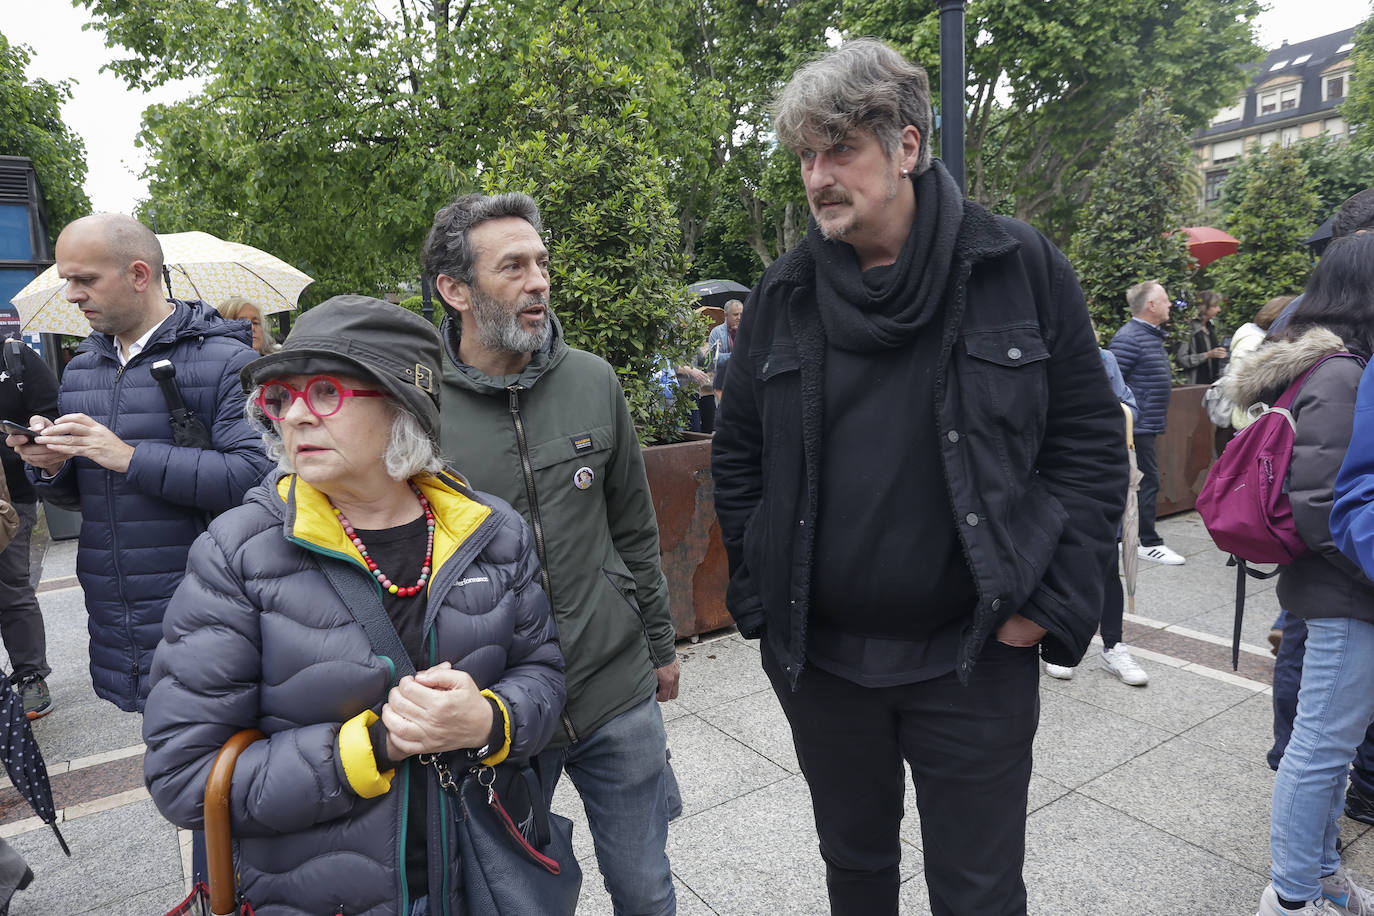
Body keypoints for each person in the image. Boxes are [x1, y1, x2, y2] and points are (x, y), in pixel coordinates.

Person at [711, 40, 1126, 915]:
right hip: (823, 667)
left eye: (840, 150)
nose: (818, 176)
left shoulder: (1019, 265)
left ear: (906, 146)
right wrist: (759, 597)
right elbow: (739, 456)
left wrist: (1044, 605)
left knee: (977, 892)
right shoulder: (783, 294)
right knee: (855, 876)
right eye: (805, 156)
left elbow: (1088, 441)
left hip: (974, 657)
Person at [143, 296, 565, 915]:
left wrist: (490, 720)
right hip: (322, 899)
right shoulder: (236, 555)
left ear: (403, 405)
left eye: (324, 392)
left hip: (484, 879)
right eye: (282, 399)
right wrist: (371, 747)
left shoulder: (493, 531)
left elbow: (546, 676)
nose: (297, 418)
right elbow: (186, 776)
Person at [423, 192, 681, 915]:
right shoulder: (419, 408)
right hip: (499, 712)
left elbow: (633, 526)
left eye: (541, 262)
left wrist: (658, 645)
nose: (539, 280)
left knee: (646, 888)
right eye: (513, 267)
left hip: (615, 691)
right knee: (521, 902)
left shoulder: (593, 380)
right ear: (455, 289)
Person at [7, 213, 272, 713]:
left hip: (209, 604)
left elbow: (256, 478)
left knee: (223, 770)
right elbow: (82, 496)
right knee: (168, 762)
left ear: (138, 275)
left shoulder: (226, 360)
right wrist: (50, 464)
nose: (71, 295)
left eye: (85, 279)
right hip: (118, 615)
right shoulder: (83, 367)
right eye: (66, 280)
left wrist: (128, 457)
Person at [1220, 234, 1374, 916]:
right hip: (1345, 586)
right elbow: (1324, 505)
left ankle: (1322, 880)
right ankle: (1290, 898)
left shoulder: (1323, 367)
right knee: (1320, 749)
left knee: (1323, 745)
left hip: (1329, 583)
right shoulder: (1343, 374)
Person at [1044, 347, 1148, 686]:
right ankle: (1056, 642)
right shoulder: (1036, 355)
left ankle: (1113, 645)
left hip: (1099, 473)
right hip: (1047, 473)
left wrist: (1101, 411)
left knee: (1104, 563)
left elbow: (1131, 408)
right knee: (1050, 560)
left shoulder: (1104, 359)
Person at [0, 340, 58, 717]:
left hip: (10, 498)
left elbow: (50, 411)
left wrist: (37, 427)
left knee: (10, 589)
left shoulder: (15, 358)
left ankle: (31, 675)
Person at [1110, 280, 1186, 565]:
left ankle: (1125, 536)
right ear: (1151, 305)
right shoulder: (1129, 337)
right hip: (1135, 427)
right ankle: (1146, 541)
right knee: (1145, 481)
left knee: (1139, 481)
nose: (1170, 305)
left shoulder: (1148, 335)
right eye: (1165, 300)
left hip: (1143, 425)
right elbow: (1112, 385)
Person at [1175, 290, 1228, 386]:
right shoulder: (1188, 328)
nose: (1219, 310)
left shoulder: (1210, 327)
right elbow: (1182, 360)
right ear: (1204, 308)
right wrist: (1207, 355)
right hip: (1193, 385)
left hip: (1210, 384)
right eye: (1215, 306)